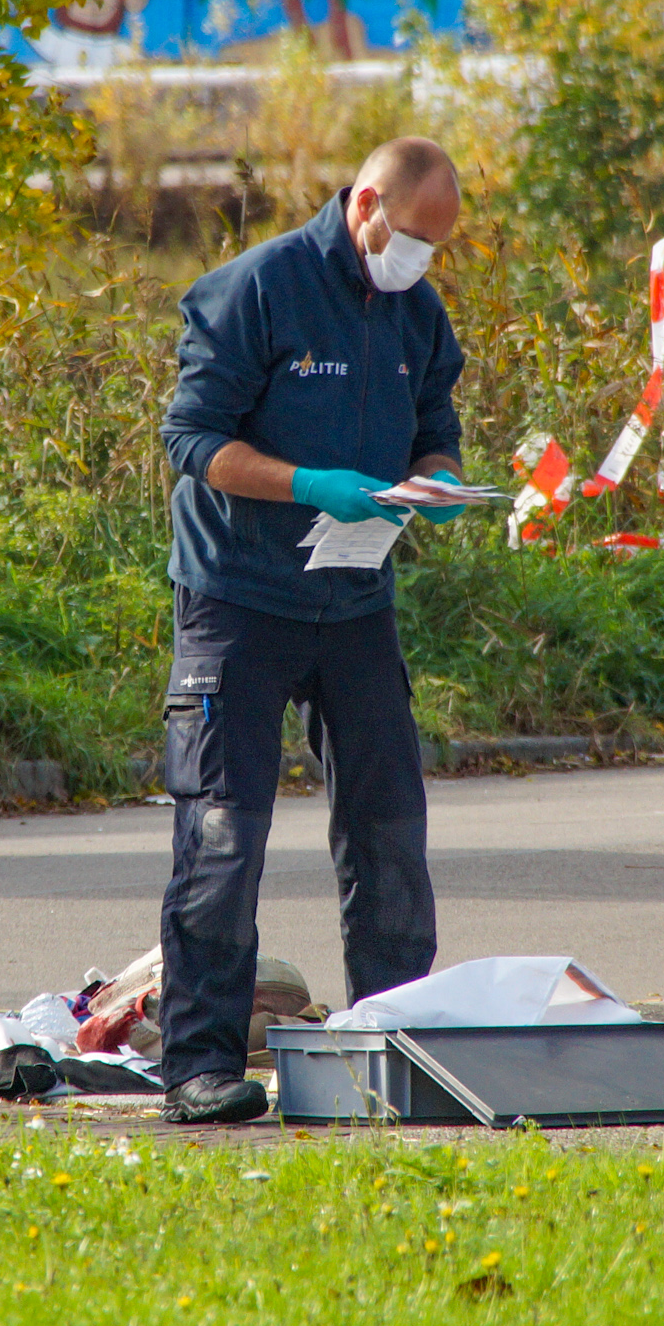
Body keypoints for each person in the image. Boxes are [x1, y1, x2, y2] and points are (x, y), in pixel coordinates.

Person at [155, 136, 466, 1124]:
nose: (419, 259)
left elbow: (434, 418)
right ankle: (199, 1066)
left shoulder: (416, 310)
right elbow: (191, 441)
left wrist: (441, 474)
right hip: (238, 598)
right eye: (411, 237)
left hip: (354, 600)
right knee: (222, 828)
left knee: (387, 824)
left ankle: (395, 1037)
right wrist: (304, 483)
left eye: (435, 246)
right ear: (366, 204)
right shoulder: (257, 288)